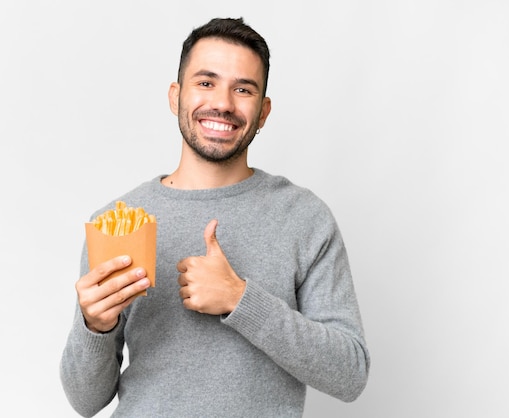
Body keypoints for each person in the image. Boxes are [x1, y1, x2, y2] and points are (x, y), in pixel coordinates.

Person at [60, 17, 370, 418]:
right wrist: (94, 327)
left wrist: (240, 299)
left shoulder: (304, 218)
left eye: (243, 89)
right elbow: (85, 402)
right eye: (206, 82)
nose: (223, 102)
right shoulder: (119, 222)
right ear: (176, 97)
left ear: (263, 112)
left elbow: (350, 374)